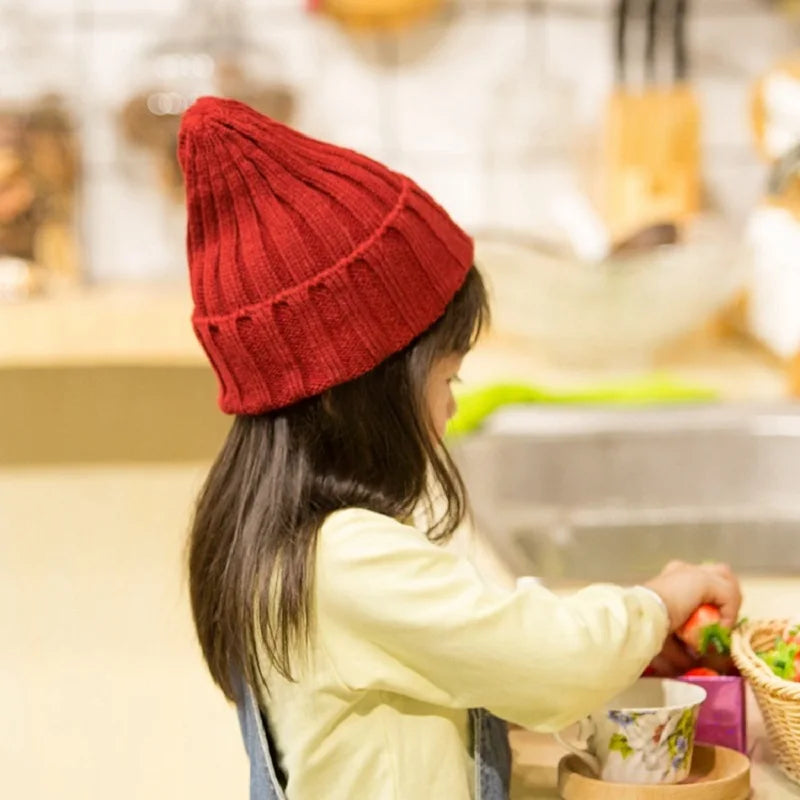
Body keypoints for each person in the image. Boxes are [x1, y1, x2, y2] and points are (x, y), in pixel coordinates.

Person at [178, 97, 742, 800]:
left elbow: (480, 630)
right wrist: (656, 602)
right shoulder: (345, 558)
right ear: (350, 390)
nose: (452, 402)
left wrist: (627, 642)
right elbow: (546, 659)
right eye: (447, 377)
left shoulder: (280, 543)